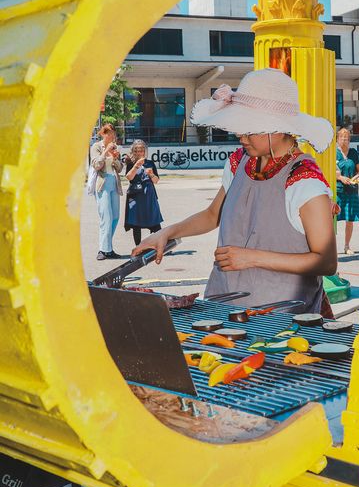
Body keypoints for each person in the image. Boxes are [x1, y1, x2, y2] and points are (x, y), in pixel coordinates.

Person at [133, 69, 337, 312]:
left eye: (250, 129)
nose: (241, 136)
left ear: (279, 128)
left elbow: (326, 262)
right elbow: (212, 216)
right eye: (240, 127)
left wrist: (252, 258)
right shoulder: (239, 161)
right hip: (224, 303)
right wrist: (168, 232)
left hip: (282, 317)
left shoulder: (305, 181)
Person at [90, 123, 123, 260]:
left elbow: (120, 168)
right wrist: (105, 152)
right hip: (102, 184)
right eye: (107, 133)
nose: (110, 135)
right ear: (102, 134)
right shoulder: (96, 147)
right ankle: (103, 250)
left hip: (114, 183)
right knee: (106, 217)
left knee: (115, 217)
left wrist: (115, 158)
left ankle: (108, 248)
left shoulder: (115, 147)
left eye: (112, 133)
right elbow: (96, 165)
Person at [124, 139, 163, 247]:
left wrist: (151, 174)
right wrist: (136, 166)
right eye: (136, 150)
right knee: (136, 223)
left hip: (149, 196)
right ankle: (139, 247)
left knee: (155, 221)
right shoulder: (130, 163)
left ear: (144, 151)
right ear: (133, 151)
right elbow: (129, 177)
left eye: (141, 150)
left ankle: (161, 244)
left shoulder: (150, 163)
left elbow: (156, 180)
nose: (138, 153)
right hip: (135, 196)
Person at [335, 127, 359, 255]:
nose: (344, 140)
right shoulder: (333, 153)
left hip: (351, 190)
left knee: (349, 220)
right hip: (338, 190)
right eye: (342, 138)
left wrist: (353, 179)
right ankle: (330, 247)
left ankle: (346, 246)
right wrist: (340, 177)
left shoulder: (354, 153)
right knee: (332, 220)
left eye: (346, 138)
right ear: (337, 139)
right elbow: (330, 171)